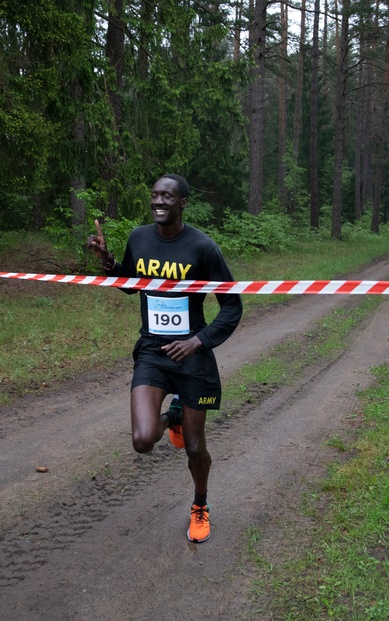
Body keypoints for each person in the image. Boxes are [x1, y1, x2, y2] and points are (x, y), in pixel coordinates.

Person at [85, 173, 242, 543]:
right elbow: (128, 284)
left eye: (167, 196)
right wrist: (108, 261)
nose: (159, 201)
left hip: (192, 355)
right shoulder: (139, 238)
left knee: (193, 445)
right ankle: (172, 415)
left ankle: (200, 505)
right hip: (153, 351)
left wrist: (198, 341)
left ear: (182, 202)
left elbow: (232, 306)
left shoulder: (203, 248)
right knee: (142, 440)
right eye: (155, 195)